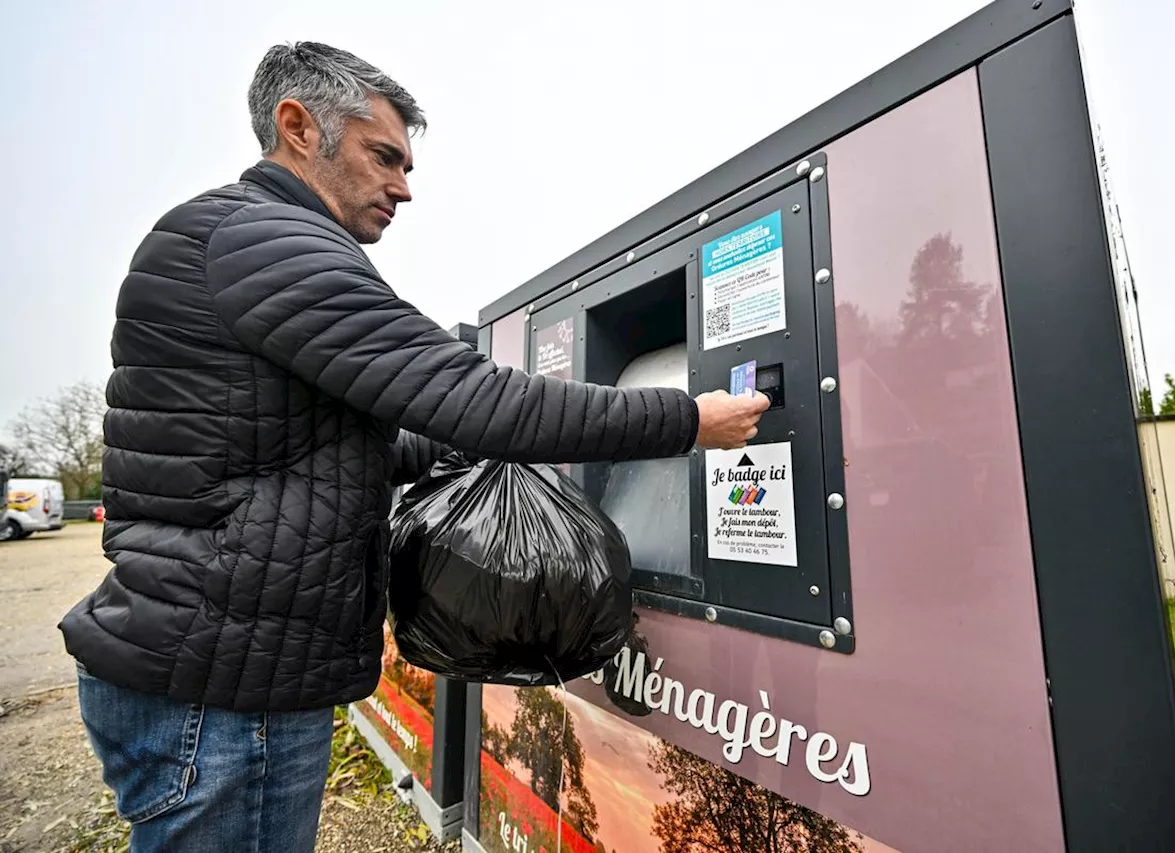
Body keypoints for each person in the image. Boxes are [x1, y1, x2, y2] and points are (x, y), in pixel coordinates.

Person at [58, 41, 768, 853]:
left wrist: (452, 450)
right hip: (221, 694)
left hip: (213, 671)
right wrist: (687, 419)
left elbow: (330, 447)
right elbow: (475, 399)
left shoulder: (241, 243)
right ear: (298, 127)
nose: (403, 187)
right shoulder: (266, 243)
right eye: (384, 156)